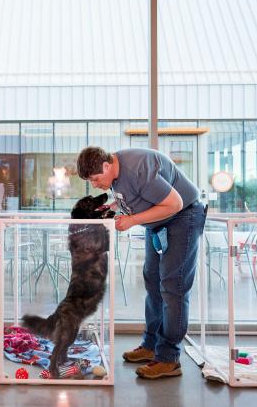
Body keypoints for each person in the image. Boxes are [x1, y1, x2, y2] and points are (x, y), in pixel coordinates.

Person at [77, 146, 207, 379]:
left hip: (182, 216)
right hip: (159, 223)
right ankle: (151, 345)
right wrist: (114, 207)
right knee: (153, 281)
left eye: (96, 179)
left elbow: (174, 203)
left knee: (172, 286)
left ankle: (169, 358)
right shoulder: (116, 172)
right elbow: (137, 195)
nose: (95, 185)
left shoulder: (138, 168)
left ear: (106, 166)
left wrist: (133, 220)